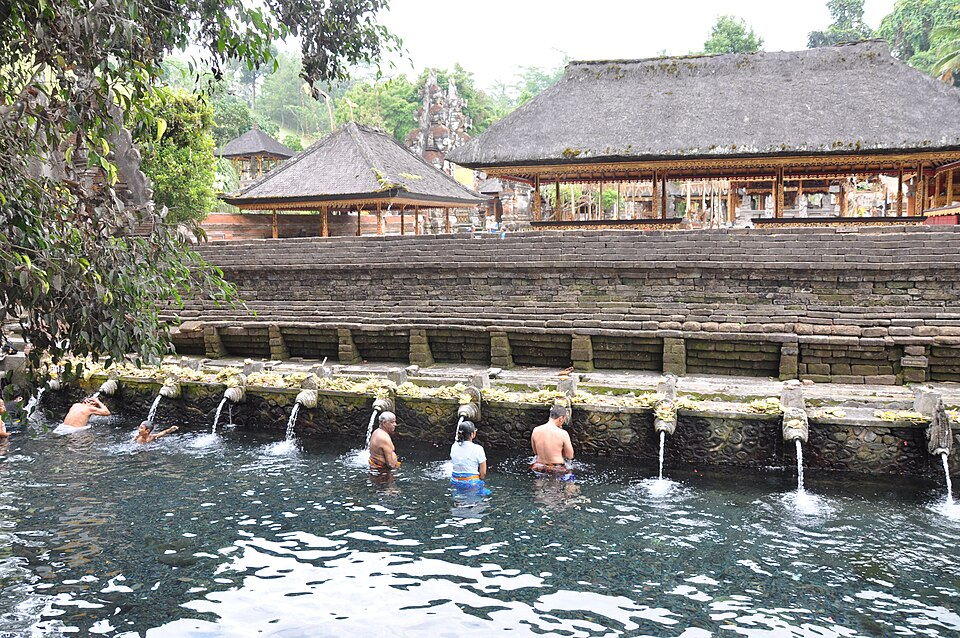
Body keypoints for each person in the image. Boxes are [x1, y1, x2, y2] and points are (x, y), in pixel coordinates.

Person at [530, 404, 574, 475]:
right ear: (561, 418)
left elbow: (535, 452)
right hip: (557, 468)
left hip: (538, 467)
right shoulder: (563, 433)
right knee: (571, 485)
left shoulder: (536, 430)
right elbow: (570, 456)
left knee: (539, 484)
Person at [450, 420, 488, 492]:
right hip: (471, 483)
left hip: (455, 481)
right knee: (487, 494)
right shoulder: (478, 449)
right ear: (472, 434)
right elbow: (483, 473)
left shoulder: (454, 446)